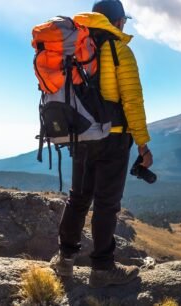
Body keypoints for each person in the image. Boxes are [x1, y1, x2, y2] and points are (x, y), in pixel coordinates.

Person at [49, 0, 153, 288]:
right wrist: (143, 145)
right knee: (107, 204)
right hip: (114, 138)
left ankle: (65, 261)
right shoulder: (120, 50)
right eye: (124, 22)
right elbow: (132, 101)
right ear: (117, 22)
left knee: (78, 198)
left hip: (81, 137)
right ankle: (102, 269)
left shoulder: (76, 49)